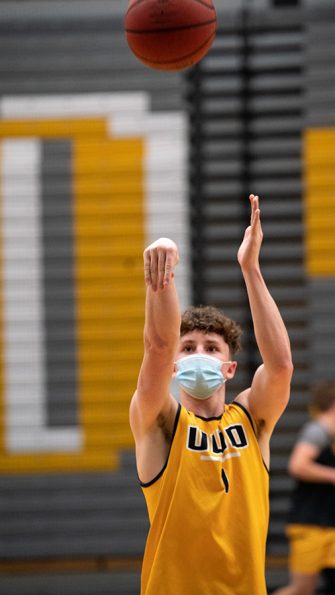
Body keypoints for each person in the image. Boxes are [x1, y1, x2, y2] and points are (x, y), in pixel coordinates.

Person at [130, 194, 293, 595]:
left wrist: (250, 267)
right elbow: (157, 346)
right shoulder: (160, 422)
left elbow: (281, 367)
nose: (198, 354)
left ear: (230, 368)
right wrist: (162, 280)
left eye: (210, 348)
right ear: (174, 366)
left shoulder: (251, 419)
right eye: (188, 348)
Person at [273, 381, 335, 595]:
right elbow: (298, 465)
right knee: (301, 590)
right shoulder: (317, 431)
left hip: (329, 525)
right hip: (311, 526)